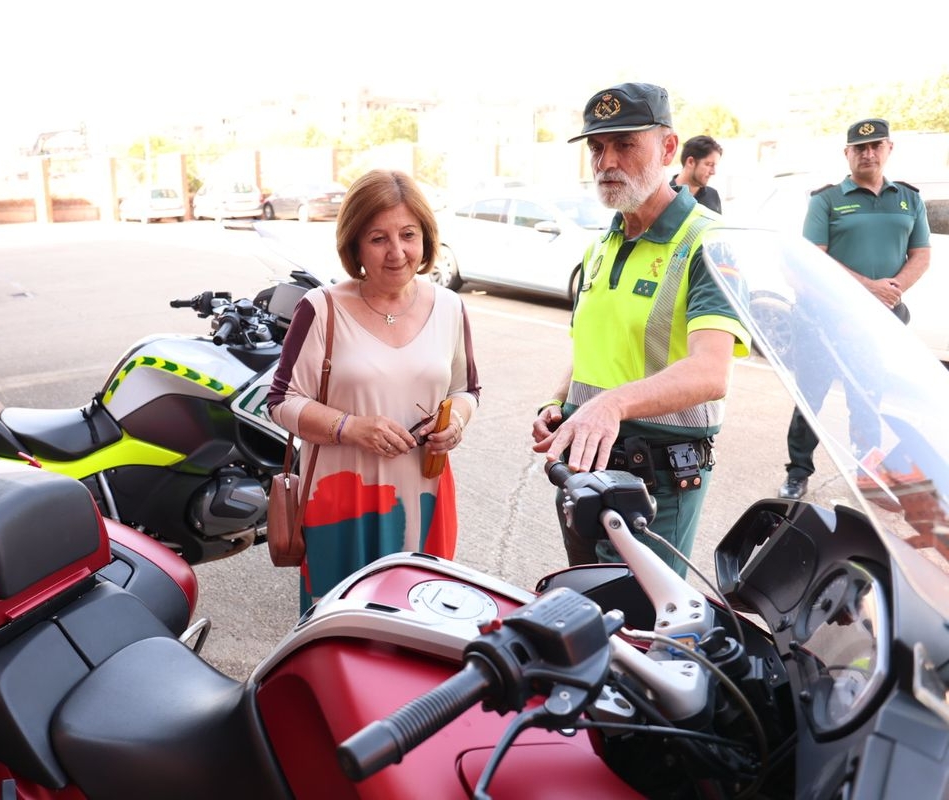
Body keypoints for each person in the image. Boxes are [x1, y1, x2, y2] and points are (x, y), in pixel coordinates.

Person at [531, 83, 751, 577]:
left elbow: (711, 373)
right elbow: (592, 348)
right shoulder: (601, 243)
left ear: (668, 148)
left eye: (625, 144)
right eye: (597, 147)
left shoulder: (709, 242)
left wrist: (609, 405)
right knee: (588, 605)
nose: (607, 161)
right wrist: (557, 404)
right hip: (583, 464)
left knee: (641, 626)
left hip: (654, 479)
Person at [267, 169, 482, 612]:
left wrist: (456, 422)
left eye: (408, 234)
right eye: (378, 238)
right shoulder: (322, 308)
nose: (397, 252)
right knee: (341, 628)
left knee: (422, 624)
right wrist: (350, 427)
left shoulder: (449, 306)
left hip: (425, 497)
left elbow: (466, 389)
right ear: (355, 245)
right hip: (341, 503)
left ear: (426, 238)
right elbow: (280, 401)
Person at [778, 118, 931, 501]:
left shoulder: (908, 198)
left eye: (875, 145)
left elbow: (921, 254)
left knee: (867, 394)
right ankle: (798, 471)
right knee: (810, 398)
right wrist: (869, 288)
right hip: (822, 320)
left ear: (888, 149)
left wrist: (892, 291)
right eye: (859, 148)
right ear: (847, 154)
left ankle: (868, 470)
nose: (868, 153)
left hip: (876, 321)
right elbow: (813, 259)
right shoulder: (827, 199)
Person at [670, 135, 724, 213]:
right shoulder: (664, 197)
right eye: (709, 164)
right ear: (690, 162)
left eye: (715, 165)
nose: (713, 172)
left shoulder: (713, 195)